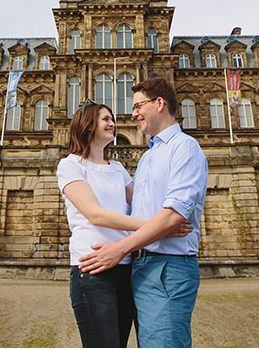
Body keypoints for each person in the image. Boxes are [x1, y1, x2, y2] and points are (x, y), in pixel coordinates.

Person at [79, 77, 208, 348]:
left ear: (160, 104)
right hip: (141, 267)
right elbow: (133, 209)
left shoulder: (184, 147)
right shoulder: (148, 156)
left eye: (138, 105)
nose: (133, 113)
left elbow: (175, 215)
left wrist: (120, 248)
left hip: (168, 267)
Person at [56, 99, 192, 348]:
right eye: (105, 119)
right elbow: (95, 214)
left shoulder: (118, 168)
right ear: (87, 125)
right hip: (93, 269)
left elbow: (144, 202)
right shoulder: (70, 165)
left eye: (112, 120)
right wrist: (159, 226)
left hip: (126, 267)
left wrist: (169, 217)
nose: (113, 123)